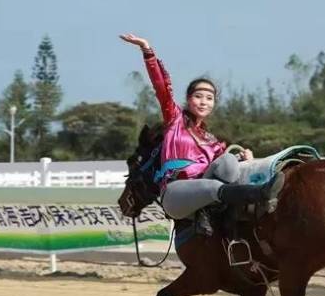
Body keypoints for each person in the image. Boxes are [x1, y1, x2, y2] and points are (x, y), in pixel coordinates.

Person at [120, 33, 284, 230]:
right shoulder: (175, 120)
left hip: (206, 190)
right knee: (214, 187)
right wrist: (146, 49)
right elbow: (161, 86)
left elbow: (226, 171)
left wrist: (247, 160)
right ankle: (259, 194)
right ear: (189, 99)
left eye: (209, 98)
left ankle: (220, 214)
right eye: (198, 96)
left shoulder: (213, 141)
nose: (204, 101)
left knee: (228, 160)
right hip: (176, 192)